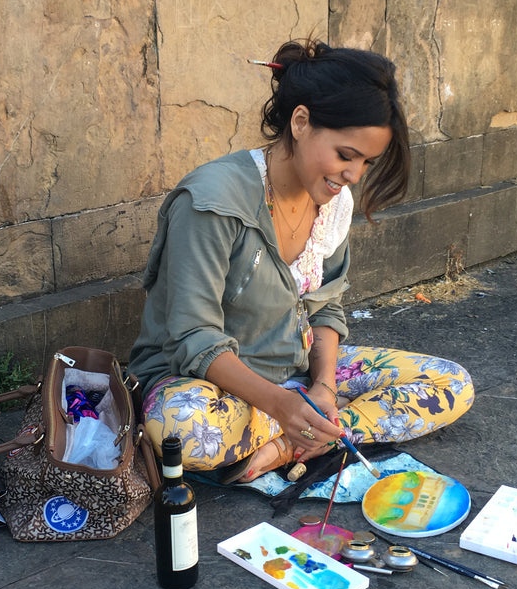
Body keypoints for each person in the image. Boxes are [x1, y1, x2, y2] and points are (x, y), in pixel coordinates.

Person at [129, 39, 474, 482]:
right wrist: (283, 405)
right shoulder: (214, 202)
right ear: (300, 121)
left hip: (296, 374)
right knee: (181, 428)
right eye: (346, 155)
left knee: (450, 383)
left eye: (367, 161)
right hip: (206, 383)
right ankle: (314, 430)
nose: (352, 175)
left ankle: (298, 441)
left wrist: (324, 386)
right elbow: (192, 338)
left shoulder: (333, 200)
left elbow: (326, 304)